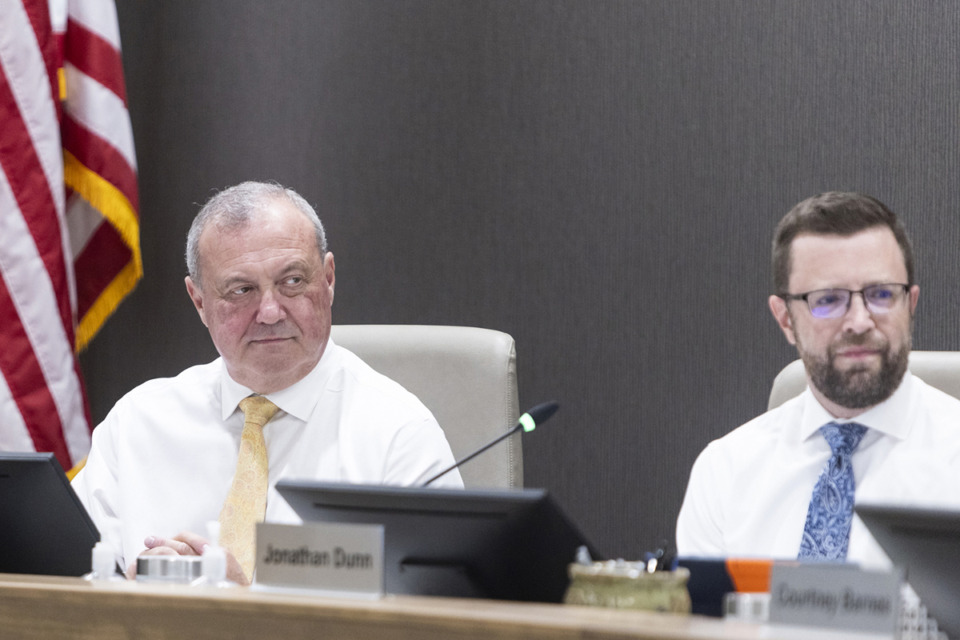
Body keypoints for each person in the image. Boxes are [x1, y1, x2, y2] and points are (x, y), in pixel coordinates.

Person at [72, 181, 462, 584]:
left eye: (292, 281)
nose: (271, 312)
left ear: (328, 279)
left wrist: (247, 610)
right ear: (199, 302)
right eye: (241, 290)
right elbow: (63, 584)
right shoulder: (137, 424)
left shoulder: (398, 435)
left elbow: (438, 617)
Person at [676, 191, 960, 567]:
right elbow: (700, 625)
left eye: (880, 294)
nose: (859, 321)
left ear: (910, 305)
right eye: (828, 300)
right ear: (785, 320)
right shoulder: (725, 473)